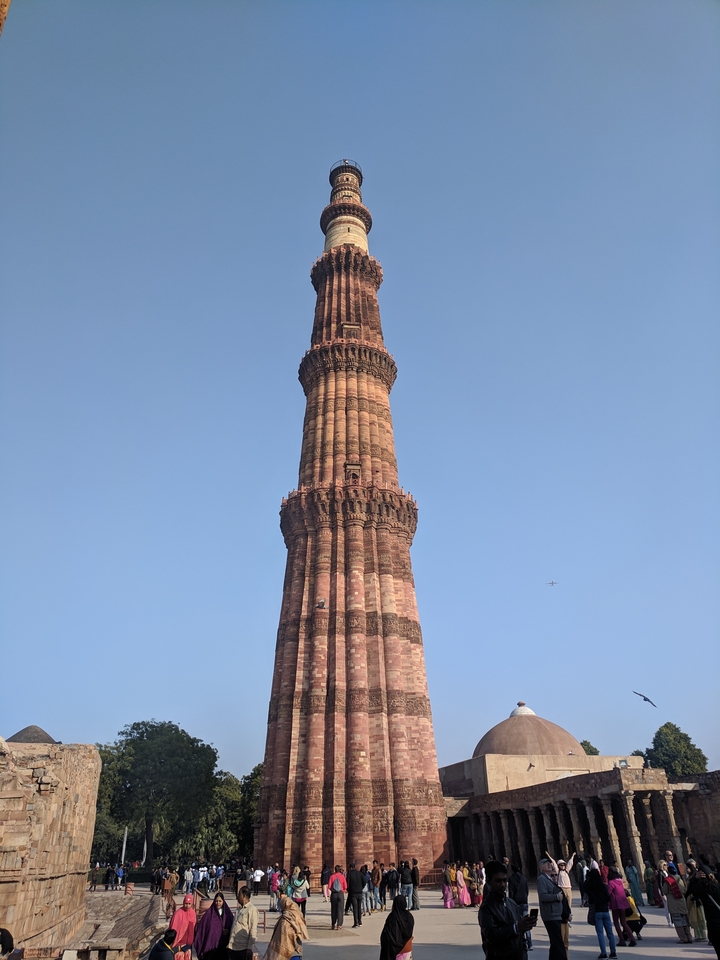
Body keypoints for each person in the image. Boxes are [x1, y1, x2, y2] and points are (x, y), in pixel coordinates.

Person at [479, 860, 536, 960]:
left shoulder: (512, 904)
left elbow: (521, 937)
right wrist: (516, 927)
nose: (502, 885)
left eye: (504, 880)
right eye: (498, 881)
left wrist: (524, 954)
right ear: (488, 881)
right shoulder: (486, 908)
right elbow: (492, 936)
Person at [536, 857, 567, 960]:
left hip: (555, 915)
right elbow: (543, 896)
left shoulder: (550, 879)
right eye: (546, 864)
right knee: (558, 943)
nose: (549, 864)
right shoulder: (542, 879)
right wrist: (556, 897)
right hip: (550, 915)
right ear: (541, 868)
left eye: (550, 863)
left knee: (555, 943)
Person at [686, 867, 720, 958]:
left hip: (713, 924)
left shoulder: (700, 890)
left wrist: (695, 879)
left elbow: (688, 892)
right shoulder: (717, 886)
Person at [585, 867, 617, 959]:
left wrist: (588, 878)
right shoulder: (603, 886)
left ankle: (603, 953)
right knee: (610, 933)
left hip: (597, 912)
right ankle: (613, 952)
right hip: (605, 911)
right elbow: (608, 898)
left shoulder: (590, 887)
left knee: (600, 933)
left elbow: (586, 890)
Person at [265, 894, 309, 960]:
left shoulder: (285, 919)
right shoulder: (298, 915)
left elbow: (289, 934)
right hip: (298, 950)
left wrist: (296, 946)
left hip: (289, 950)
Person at [194, 891, 234, 960]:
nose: (218, 903)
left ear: (223, 901)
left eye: (220, 901)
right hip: (211, 946)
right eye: (216, 901)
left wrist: (228, 931)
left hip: (224, 946)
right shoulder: (209, 914)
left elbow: (233, 926)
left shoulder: (228, 914)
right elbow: (202, 927)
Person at [661, 863, 692, 943]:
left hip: (673, 901)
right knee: (685, 920)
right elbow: (684, 890)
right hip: (681, 901)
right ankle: (689, 937)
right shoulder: (680, 879)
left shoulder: (668, 880)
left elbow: (665, 891)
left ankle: (683, 938)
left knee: (677, 921)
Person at [607, 866, 637, 946]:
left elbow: (608, 893)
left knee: (616, 923)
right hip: (623, 903)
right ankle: (632, 939)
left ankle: (622, 940)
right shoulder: (620, 881)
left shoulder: (611, 882)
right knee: (624, 922)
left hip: (615, 904)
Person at [379, 894, 414, 960]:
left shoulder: (392, 916)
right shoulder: (409, 916)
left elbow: (387, 934)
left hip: (393, 951)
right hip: (407, 948)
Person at [228, 886, 258, 960]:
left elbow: (253, 929)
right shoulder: (239, 909)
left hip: (243, 948)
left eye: (239, 895)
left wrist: (249, 947)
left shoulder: (252, 910)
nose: (237, 897)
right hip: (233, 946)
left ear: (244, 896)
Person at [508, 863, 532, 953]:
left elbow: (511, 892)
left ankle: (521, 942)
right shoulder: (524, 878)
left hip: (516, 903)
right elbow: (527, 890)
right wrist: (525, 898)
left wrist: (511, 902)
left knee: (517, 924)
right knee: (527, 923)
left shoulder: (511, 879)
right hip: (524, 902)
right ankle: (530, 943)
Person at [169, 894, 197, 960]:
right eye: (186, 903)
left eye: (189, 904)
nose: (187, 905)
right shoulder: (178, 913)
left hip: (188, 943)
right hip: (178, 942)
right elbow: (173, 927)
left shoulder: (193, 913)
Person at [327, 865, 347, 931]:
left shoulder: (332, 876)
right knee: (340, 910)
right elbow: (345, 886)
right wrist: (343, 890)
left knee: (334, 909)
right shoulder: (342, 876)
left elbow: (329, 886)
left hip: (334, 894)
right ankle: (339, 925)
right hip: (340, 894)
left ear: (335, 870)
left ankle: (333, 924)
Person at [347, 862, 364, 928]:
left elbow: (347, 884)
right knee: (359, 907)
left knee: (355, 908)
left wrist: (350, 890)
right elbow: (364, 882)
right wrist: (361, 887)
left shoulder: (350, 874)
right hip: (359, 892)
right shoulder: (360, 873)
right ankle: (360, 921)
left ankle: (355, 922)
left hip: (353, 893)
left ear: (351, 868)